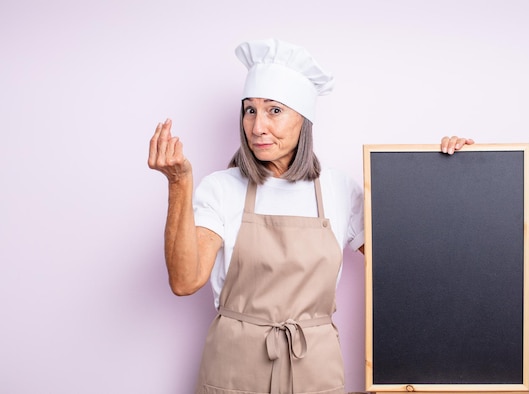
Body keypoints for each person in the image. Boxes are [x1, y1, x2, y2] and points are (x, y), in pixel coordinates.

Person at [147, 38, 474, 394]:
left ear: (304, 120)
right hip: (234, 368)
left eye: (274, 111)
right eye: (250, 110)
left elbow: (410, 268)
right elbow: (185, 281)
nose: (257, 127)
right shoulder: (221, 188)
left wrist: (457, 176)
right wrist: (179, 183)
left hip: (314, 367)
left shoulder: (339, 189)